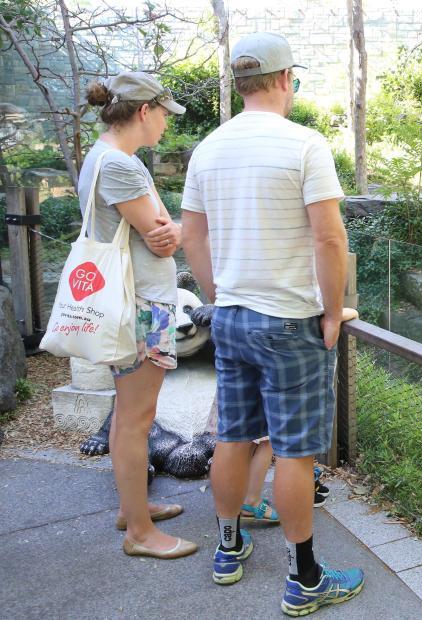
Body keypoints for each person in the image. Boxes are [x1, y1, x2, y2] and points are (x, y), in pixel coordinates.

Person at [181, 32, 363, 615]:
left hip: (231, 317)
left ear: (241, 85)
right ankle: (305, 579)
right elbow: (329, 237)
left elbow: (193, 238)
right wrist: (331, 311)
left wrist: (221, 295)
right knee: (294, 452)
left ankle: (228, 550)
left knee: (233, 437)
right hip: (290, 322)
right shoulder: (305, 144)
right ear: (286, 80)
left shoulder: (207, 148)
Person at [80, 72, 197, 559]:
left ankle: (135, 510)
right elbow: (162, 234)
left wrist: (174, 227)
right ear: (145, 111)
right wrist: (192, 224)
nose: (167, 125)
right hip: (143, 307)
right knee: (136, 417)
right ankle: (140, 535)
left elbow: (160, 230)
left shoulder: (104, 156)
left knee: (128, 413)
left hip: (134, 304)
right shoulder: (120, 166)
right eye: (165, 115)